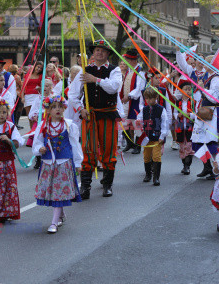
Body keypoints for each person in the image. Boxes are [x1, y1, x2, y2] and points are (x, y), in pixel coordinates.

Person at [69, 39, 122, 198]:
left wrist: (96, 80)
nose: (99, 52)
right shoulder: (84, 70)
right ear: (93, 52)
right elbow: (72, 94)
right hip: (90, 115)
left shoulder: (115, 70)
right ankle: (85, 187)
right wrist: (80, 108)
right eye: (97, 50)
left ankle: (107, 185)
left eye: (103, 50)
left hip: (108, 114)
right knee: (88, 149)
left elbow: (114, 87)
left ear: (108, 54)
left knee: (108, 149)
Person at [32, 96, 83, 234]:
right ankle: (60, 214)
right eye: (54, 107)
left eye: (60, 106)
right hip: (49, 163)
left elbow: (75, 145)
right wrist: (40, 149)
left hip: (63, 162)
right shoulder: (43, 126)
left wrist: (78, 162)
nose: (58, 109)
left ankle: (54, 222)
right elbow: (36, 143)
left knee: (59, 192)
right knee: (53, 191)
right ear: (48, 110)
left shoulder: (69, 125)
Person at [191, 55, 219, 179]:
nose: (203, 65)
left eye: (205, 62)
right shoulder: (212, 77)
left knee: (215, 141)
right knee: (205, 140)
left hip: (216, 113)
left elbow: (215, 98)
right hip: (210, 113)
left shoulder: (217, 78)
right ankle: (211, 167)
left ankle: (218, 168)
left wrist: (202, 89)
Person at [136, 87, 169, 185]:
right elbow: (139, 118)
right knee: (146, 156)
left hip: (157, 137)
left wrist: (162, 136)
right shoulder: (144, 109)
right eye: (147, 98)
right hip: (146, 137)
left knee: (156, 156)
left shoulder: (161, 109)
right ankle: (148, 174)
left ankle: (156, 177)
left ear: (156, 98)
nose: (149, 101)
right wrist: (139, 123)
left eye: (151, 98)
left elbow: (165, 123)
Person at [120, 49, 146, 155]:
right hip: (126, 102)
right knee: (124, 122)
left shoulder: (140, 72)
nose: (125, 61)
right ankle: (129, 142)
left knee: (137, 124)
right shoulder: (129, 71)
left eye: (127, 59)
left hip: (135, 102)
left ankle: (138, 146)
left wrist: (129, 96)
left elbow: (139, 89)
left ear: (132, 60)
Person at [27, 78, 54, 169]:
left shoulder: (53, 98)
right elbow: (32, 111)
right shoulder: (38, 99)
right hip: (39, 121)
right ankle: (38, 159)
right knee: (38, 138)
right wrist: (34, 116)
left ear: (51, 87)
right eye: (43, 86)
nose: (45, 88)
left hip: (50, 120)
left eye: (47, 86)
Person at [174, 80, 195, 175]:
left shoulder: (193, 102)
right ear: (180, 90)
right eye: (185, 89)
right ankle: (184, 165)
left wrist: (189, 115)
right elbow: (174, 113)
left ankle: (187, 166)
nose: (187, 91)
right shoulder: (177, 102)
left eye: (189, 89)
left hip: (190, 127)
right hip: (181, 127)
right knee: (182, 147)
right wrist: (177, 115)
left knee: (189, 147)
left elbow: (196, 114)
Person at [23, 61, 44, 128]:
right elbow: (23, 86)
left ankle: (35, 130)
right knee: (29, 116)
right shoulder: (27, 75)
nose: (39, 69)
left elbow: (44, 86)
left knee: (35, 115)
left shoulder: (41, 76)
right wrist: (22, 97)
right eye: (38, 67)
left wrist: (40, 87)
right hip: (27, 96)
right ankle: (31, 131)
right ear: (35, 66)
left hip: (36, 96)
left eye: (41, 68)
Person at [8, 64, 24, 129]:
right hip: (18, 94)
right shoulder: (17, 77)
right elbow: (21, 85)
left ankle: (15, 123)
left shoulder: (9, 76)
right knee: (18, 109)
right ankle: (16, 123)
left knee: (14, 109)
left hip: (12, 94)